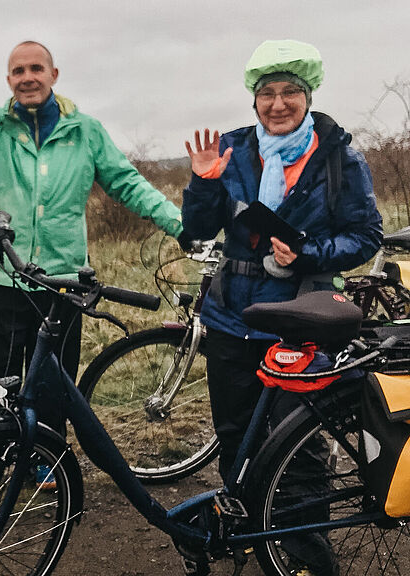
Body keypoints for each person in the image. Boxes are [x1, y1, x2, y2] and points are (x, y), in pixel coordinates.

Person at [0, 38, 187, 490]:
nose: (27, 77)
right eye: (18, 71)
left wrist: (179, 223)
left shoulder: (85, 131)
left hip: (63, 278)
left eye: (36, 68)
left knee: (54, 378)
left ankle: (42, 459)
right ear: (9, 81)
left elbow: (126, 183)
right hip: (3, 271)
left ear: (54, 75)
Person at [182, 40, 381, 574]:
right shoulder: (232, 150)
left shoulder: (338, 154)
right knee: (235, 436)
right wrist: (203, 185)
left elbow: (366, 236)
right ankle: (246, 536)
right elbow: (196, 232)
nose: (277, 103)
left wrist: (309, 252)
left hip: (302, 320)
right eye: (266, 93)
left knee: (300, 451)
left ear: (307, 95)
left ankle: (305, 557)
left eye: (289, 91)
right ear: (253, 101)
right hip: (232, 317)